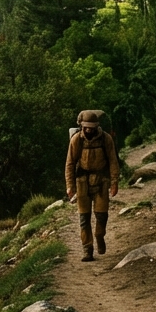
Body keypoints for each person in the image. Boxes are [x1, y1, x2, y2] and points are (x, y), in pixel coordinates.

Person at [65, 109, 119, 262]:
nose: (89, 129)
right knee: (84, 218)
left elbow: (113, 161)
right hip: (82, 182)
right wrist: (70, 186)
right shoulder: (76, 140)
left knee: (102, 216)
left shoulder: (106, 139)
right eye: (86, 126)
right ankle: (87, 250)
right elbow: (70, 164)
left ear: (96, 126)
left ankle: (99, 236)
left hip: (102, 181)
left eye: (92, 126)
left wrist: (114, 182)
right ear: (81, 126)